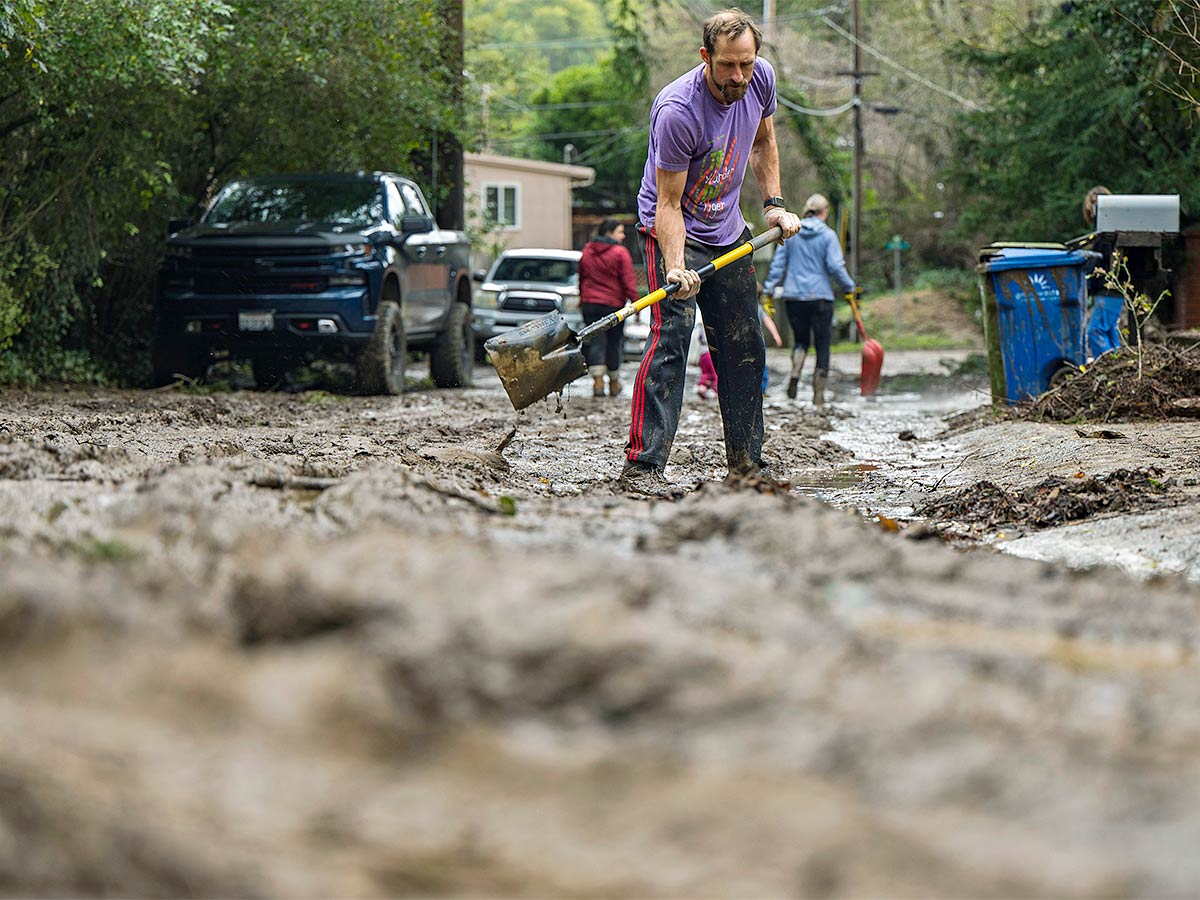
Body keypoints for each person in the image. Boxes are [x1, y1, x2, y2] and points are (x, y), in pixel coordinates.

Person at [619, 8, 802, 495]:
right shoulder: (677, 110)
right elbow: (669, 203)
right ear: (706, 57)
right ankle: (643, 466)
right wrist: (676, 267)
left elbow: (763, 143)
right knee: (672, 340)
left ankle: (746, 463)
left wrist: (775, 206)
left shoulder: (760, 80)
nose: (738, 76)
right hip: (671, 226)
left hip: (728, 228)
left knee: (744, 343)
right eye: (727, 66)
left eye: (746, 64)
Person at [762, 192, 854, 408]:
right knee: (822, 345)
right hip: (821, 297)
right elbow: (835, 266)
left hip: (794, 297)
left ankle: (795, 372)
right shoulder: (828, 235)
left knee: (801, 340)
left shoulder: (792, 232)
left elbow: (778, 265)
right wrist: (849, 287)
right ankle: (818, 396)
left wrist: (768, 290)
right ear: (824, 212)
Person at [578, 219, 638, 397]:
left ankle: (597, 382)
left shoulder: (587, 251)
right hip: (613, 305)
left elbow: (582, 277)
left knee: (595, 341)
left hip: (589, 304)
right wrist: (636, 302)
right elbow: (628, 280)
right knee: (614, 342)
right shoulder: (620, 252)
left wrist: (582, 298)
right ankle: (613, 382)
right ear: (609, 233)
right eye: (620, 232)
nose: (623, 235)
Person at [1081, 185, 1123, 360]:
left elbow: (1101, 259)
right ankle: (1120, 364)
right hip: (1111, 289)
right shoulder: (1106, 233)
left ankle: (1111, 367)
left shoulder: (1107, 235)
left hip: (1108, 289)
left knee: (1096, 330)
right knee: (1109, 330)